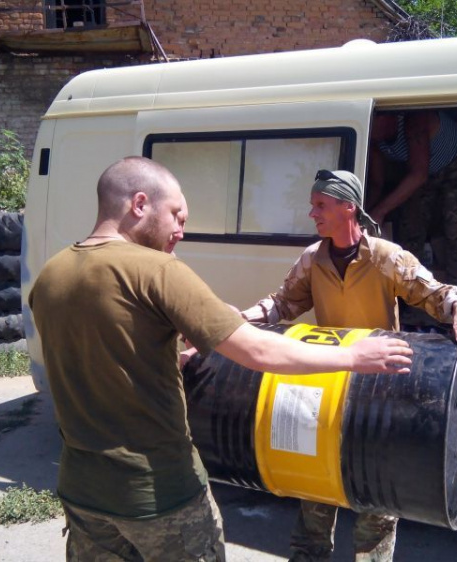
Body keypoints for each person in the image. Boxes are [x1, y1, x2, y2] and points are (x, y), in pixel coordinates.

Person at [28, 157, 414, 562]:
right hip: (158, 490)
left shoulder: (51, 275)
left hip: (82, 491)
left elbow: (110, 357)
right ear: (139, 204)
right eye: (177, 215)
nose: (180, 231)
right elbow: (258, 350)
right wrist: (351, 355)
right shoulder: (158, 271)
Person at [241, 169, 457, 562]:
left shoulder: (386, 257)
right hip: (324, 387)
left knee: (376, 507)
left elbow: (433, 292)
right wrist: (242, 317)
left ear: (347, 207)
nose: (312, 214)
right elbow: (283, 303)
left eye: (320, 205)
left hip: (378, 395)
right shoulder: (312, 259)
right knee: (314, 501)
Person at [367, 110, 457, 289]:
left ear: (387, 116)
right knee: (410, 226)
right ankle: (410, 292)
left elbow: (419, 175)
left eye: (374, 120)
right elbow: (376, 183)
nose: (370, 127)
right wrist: (366, 213)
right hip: (419, 169)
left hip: (454, 162)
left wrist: (380, 211)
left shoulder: (414, 120)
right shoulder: (374, 138)